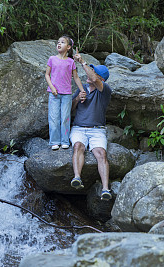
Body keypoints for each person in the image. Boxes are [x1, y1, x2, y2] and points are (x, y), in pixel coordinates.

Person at [70, 48, 112, 200]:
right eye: (90, 71)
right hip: (79, 128)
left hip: (97, 130)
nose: (89, 74)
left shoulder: (105, 90)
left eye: (93, 72)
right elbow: (71, 109)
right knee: (78, 147)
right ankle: (77, 177)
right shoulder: (81, 88)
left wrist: (82, 62)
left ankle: (105, 189)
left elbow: (94, 79)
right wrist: (77, 99)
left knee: (101, 154)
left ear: (101, 79)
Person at [45, 36, 86, 151]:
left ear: (68, 47)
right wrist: (52, 87)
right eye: (58, 42)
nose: (59, 44)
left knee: (65, 118)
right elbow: (47, 75)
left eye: (62, 43)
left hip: (67, 94)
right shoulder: (52, 59)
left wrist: (82, 90)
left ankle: (64, 141)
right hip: (54, 94)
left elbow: (76, 77)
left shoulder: (70, 61)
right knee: (53, 118)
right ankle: (54, 141)